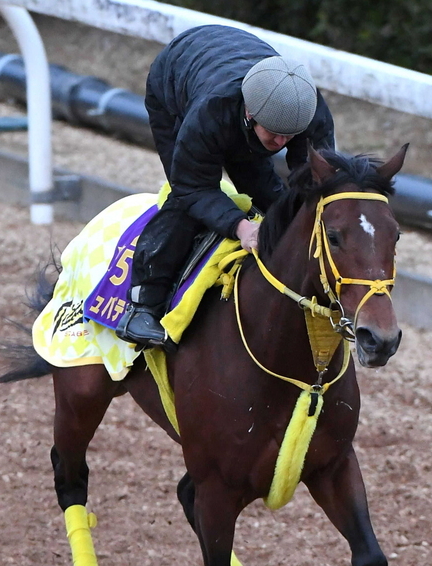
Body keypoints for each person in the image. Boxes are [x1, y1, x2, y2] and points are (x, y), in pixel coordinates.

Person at [115, 24, 336, 348]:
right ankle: (141, 306)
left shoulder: (312, 113)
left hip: (235, 74)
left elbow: (317, 186)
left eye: (289, 137)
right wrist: (241, 227)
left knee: (276, 198)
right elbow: (194, 186)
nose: (280, 143)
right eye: (274, 133)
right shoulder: (211, 111)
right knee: (186, 204)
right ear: (250, 113)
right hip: (175, 84)